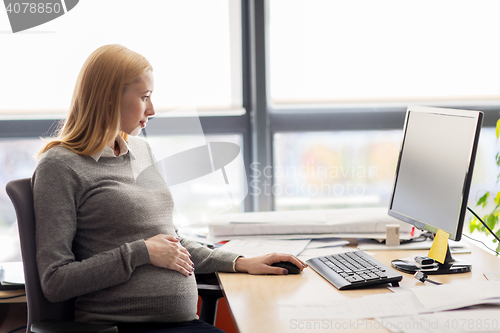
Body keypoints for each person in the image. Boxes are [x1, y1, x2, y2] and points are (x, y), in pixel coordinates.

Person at [32, 44, 306, 332]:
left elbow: (170, 244)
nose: (152, 109)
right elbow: (55, 281)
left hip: (183, 324)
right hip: (119, 328)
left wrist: (241, 262)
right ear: (110, 97)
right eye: (144, 97)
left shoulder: (141, 150)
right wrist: (139, 253)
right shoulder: (60, 166)